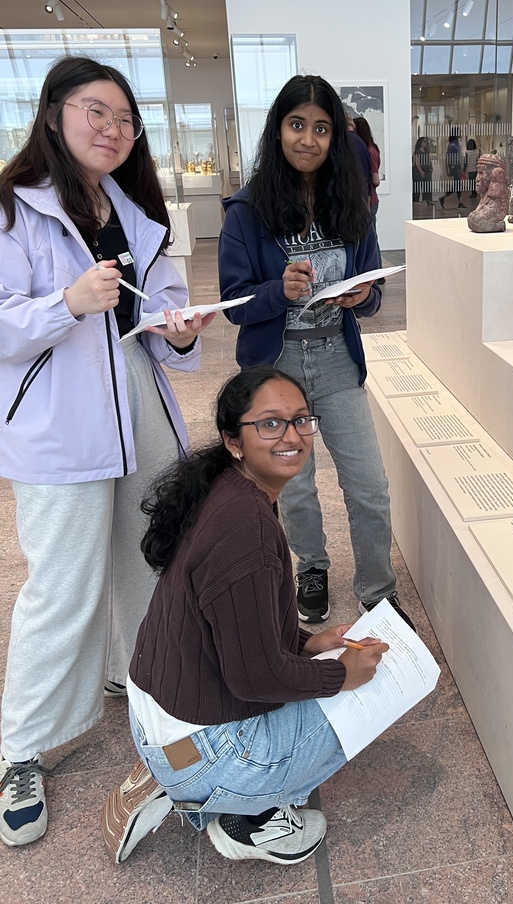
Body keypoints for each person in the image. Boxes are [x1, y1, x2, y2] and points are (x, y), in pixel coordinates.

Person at [0, 55, 215, 846]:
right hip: (62, 421)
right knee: (61, 585)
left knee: (151, 554)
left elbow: (155, 308)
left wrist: (178, 330)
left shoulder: (132, 208)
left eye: (125, 120)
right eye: (97, 112)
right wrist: (64, 303)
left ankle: (141, 678)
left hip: (138, 401)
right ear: (54, 112)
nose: (113, 130)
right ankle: (21, 749)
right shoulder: (13, 208)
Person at [100, 367, 389, 865]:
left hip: (158, 714)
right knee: (377, 690)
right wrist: (341, 673)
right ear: (234, 440)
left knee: (322, 678)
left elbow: (232, 623)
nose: (293, 436)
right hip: (206, 748)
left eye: (301, 420)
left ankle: (177, 773)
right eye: (271, 424)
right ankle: (245, 814)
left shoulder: (225, 491)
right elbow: (255, 676)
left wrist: (308, 643)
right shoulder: (247, 529)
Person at [217, 75, 413, 629]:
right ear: (278, 129)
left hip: (335, 359)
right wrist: (278, 291)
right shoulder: (247, 211)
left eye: (321, 128)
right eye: (297, 124)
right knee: (295, 484)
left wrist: (363, 294)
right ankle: (313, 568)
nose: (308, 139)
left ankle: (377, 589)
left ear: (334, 138)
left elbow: (374, 289)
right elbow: (234, 304)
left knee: (369, 486)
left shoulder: (349, 203)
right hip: (276, 369)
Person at [353, 116, 384, 276]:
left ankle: (377, 273)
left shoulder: (369, 150)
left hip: (370, 199)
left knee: (371, 237)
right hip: (370, 198)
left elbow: (375, 179)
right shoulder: (371, 148)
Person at [439, 131, 466, 211]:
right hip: (454, 166)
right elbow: (449, 157)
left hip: (456, 166)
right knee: (457, 185)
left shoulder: (457, 144)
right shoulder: (452, 145)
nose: (460, 134)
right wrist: (448, 169)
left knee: (456, 185)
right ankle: (459, 202)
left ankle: (443, 198)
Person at [411, 136, 434, 205]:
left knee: (427, 186)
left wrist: (431, 166)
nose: (426, 143)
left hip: (427, 170)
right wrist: (420, 171)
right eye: (424, 141)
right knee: (417, 187)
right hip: (418, 172)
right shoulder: (417, 152)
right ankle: (415, 201)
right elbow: (416, 162)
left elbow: (429, 159)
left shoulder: (427, 151)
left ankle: (428, 200)